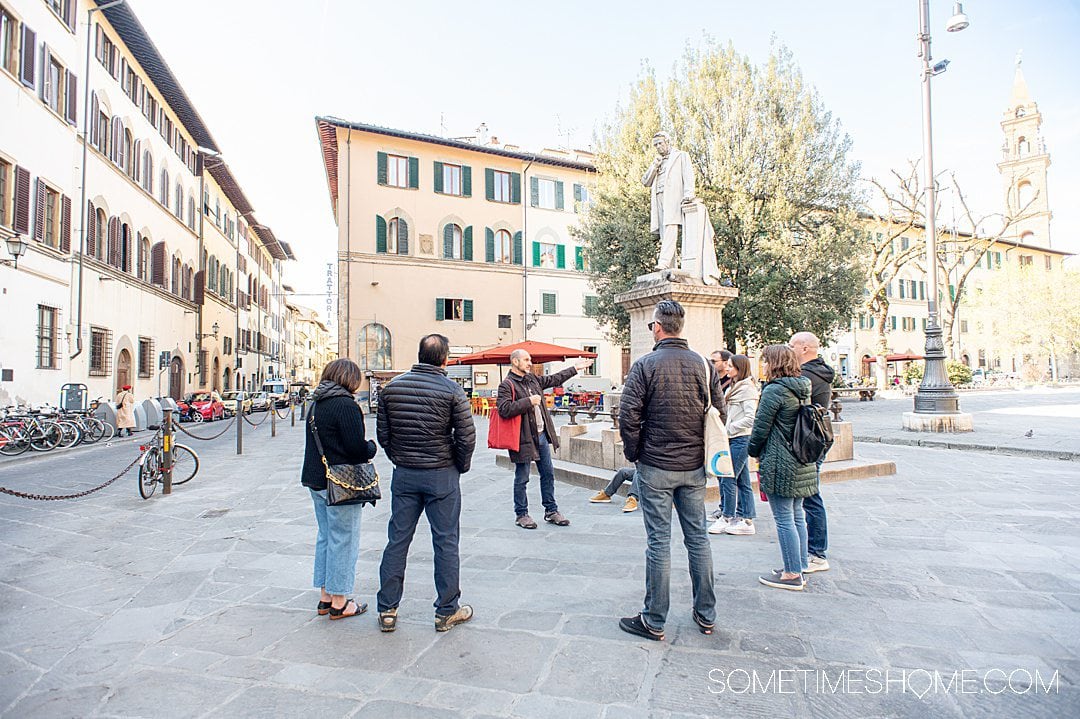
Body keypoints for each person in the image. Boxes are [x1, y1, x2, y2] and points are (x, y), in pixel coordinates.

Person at [618, 300, 724, 640]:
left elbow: (628, 415)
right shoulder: (704, 366)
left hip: (656, 465)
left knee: (659, 542)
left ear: (658, 327)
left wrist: (636, 455)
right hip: (693, 467)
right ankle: (706, 613)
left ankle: (654, 619)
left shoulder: (645, 365)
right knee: (699, 539)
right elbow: (717, 411)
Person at [376, 334, 476, 633]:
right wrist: (459, 464)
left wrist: (399, 457)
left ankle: (388, 610)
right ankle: (446, 611)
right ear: (445, 359)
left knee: (397, 540)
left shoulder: (392, 388)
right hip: (441, 473)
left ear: (419, 355)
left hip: (405, 472)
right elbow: (467, 437)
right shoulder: (452, 390)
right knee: (445, 541)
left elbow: (384, 434)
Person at [300, 358, 377, 620]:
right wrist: (371, 448)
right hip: (340, 483)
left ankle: (325, 596)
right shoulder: (345, 405)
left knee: (326, 537)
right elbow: (356, 449)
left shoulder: (315, 404)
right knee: (344, 539)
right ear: (348, 379)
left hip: (316, 480)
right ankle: (341, 601)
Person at [496, 350, 593, 529]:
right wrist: (528, 401)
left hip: (540, 436)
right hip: (523, 438)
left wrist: (575, 368)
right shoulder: (506, 385)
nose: (530, 362)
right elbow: (504, 409)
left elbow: (554, 379)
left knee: (548, 474)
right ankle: (521, 514)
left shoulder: (532, 379)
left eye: (530, 359)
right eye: (526, 360)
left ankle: (551, 510)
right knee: (522, 477)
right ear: (515, 361)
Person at [749, 345, 818, 591]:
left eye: (766, 361)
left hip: (781, 460)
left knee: (783, 518)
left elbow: (761, 427)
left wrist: (753, 450)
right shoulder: (802, 388)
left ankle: (791, 574)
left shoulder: (775, 391)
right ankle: (798, 565)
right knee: (797, 514)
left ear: (774, 363)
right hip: (801, 458)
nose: (763, 366)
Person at [789, 331, 833, 574]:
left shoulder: (806, 376)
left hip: (807, 441)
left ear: (805, 348)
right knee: (810, 494)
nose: (790, 349)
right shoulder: (820, 372)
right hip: (816, 439)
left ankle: (817, 552)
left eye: (792, 344)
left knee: (811, 496)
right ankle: (813, 548)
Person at [709, 355, 759, 536]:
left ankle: (728, 516)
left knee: (727, 476)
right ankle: (747, 518)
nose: (727, 369)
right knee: (742, 480)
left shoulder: (747, 390)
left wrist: (729, 428)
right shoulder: (735, 387)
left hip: (740, 437)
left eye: (730, 366)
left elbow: (750, 418)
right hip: (734, 437)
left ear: (740, 368)